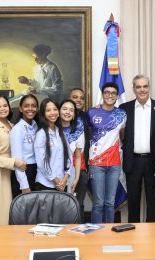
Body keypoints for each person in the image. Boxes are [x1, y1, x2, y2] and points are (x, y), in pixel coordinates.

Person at [119, 75, 155, 223]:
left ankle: (153, 233)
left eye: (145, 86)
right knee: (133, 200)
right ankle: (133, 232)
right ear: (133, 89)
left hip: (153, 161)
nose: (142, 90)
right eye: (138, 87)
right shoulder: (124, 109)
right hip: (133, 161)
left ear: (149, 87)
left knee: (153, 200)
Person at [87, 82, 126, 223]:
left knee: (110, 203)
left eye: (113, 93)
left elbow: (126, 134)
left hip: (115, 164)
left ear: (117, 96)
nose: (110, 95)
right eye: (107, 92)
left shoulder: (122, 114)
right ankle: (96, 233)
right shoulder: (91, 112)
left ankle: (109, 233)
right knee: (98, 203)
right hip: (96, 164)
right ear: (102, 94)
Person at [0, 95, 27, 224]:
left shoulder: (13, 125)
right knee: (2, 214)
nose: (2, 109)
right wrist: (14, 162)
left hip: (13, 172)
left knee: (14, 211)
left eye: (5, 105)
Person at [34, 98, 71, 191]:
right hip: (45, 184)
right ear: (43, 114)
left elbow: (69, 156)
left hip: (62, 183)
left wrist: (66, 177)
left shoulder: (60, 131)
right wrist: (56, 180)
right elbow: (41, 162)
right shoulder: (41, 134)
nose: (52, 113)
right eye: (48, 110)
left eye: (55, 109)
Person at [10, 94, 39, 193]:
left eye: (33, 106)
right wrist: (25, 186)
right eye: (26, 106)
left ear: (37, 108)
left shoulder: (36, 126)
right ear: (21, 109)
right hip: (24, 174)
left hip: (35, 172)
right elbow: (17, 161)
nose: (30, 109)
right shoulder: (17, 129)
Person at [69, 88, 89, 222]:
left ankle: (79, 237)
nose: (78, 100)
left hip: (82, 169)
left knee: (79, 204)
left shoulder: (87, 118)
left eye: (81, 98)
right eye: (75, 97)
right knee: (64, 205)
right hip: (64, 171)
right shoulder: (60, 118)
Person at [60, 99, 85, 194]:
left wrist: (76, 178)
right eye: (65, 109)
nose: (67, 112)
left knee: (67, 205)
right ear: (59, 111)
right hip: (52, 175)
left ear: (74, 114)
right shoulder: (53, 129)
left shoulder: (78, 131)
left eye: (71, 110)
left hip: (70, 174)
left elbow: (78, 157)